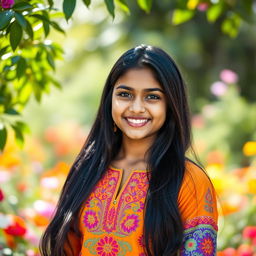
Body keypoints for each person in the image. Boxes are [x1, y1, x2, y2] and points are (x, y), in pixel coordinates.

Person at [39, 45, 218, 256]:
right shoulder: (87, 170)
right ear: (109, 100)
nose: (136, 108)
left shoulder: (190, 181)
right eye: (125, 94)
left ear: (170, 104)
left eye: (152, 97)